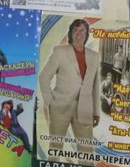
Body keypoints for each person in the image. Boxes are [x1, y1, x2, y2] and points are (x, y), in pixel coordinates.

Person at [38, 19, 101, 157]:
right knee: (55, 149)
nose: (79, 33)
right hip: (60, 108)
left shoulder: (94, 56)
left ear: (87, 34)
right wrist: (50, 101)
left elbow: (95, 86)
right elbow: (44, 77)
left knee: (86, 151)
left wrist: (96, 111)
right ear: (71, 33)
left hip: (84, 110)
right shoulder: (60, 52)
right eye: (76, 30)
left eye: (83, 30)